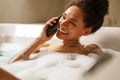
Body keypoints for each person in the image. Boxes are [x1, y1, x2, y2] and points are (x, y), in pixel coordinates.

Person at [8, 0, 109, 64]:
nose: (62, 23)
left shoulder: (91, 50)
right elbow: (12, 66)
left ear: (86, 32)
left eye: (72, 22)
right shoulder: (44, 46)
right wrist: (40, 39)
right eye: (64, 16)